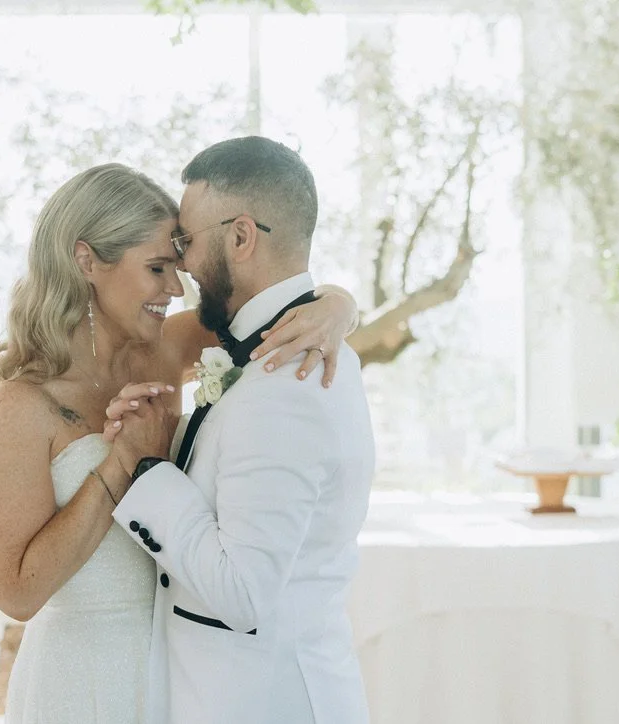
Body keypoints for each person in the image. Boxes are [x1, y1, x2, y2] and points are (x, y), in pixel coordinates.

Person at [0, 162, 359, 724]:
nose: (175, 289)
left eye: (176, 267)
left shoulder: (167, 349)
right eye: (156, 268)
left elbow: (271, 310)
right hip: (82, 680)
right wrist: (122, 464)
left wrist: (339, 306)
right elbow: (15, 594)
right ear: (87, 262)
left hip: (183, 675)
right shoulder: (21, 405)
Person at [104, 137, 375, 724]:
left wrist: (152, 469)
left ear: (241, 236)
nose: (180, 266)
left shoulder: (288, 378)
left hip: (266, 702)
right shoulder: (279, 351)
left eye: (185, 242)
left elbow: (243, 593)